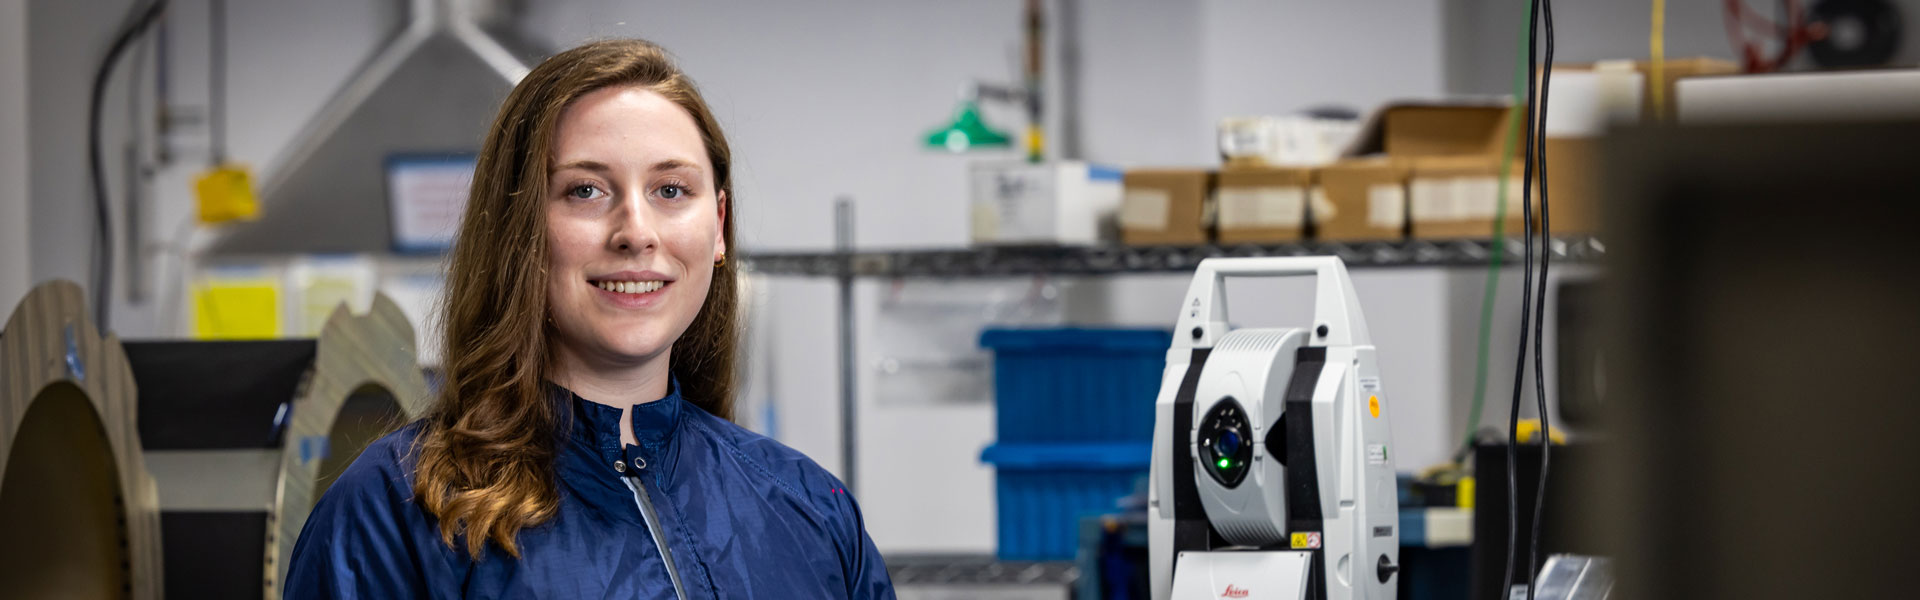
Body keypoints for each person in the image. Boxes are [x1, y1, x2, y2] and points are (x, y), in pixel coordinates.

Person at [284, 38, 895, 599]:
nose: (636, 233)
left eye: (671, 190)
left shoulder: (811, 506)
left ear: (719, 226)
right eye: (585, 191)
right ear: (518, 229)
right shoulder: (398, 509)